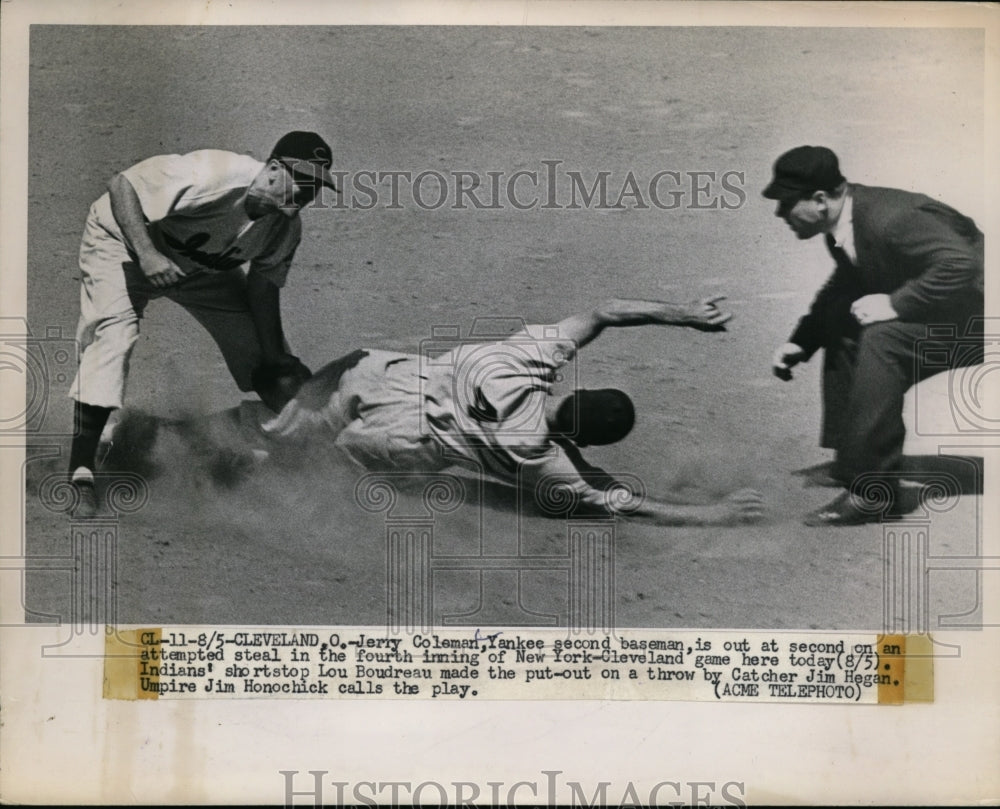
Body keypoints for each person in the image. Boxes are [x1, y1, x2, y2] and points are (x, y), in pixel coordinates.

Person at [254, 297, 764, 526]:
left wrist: (688, 317)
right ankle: (244, 467)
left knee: (273, 430)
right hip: (396, 440)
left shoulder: (524, 359)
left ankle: (223, 439)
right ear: (582, 442)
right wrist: (710, 515)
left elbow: (604, 312)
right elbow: (620, 503)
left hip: (375, 376)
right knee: (307, 470)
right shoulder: (539, 457)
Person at [68, 131, 337, 517]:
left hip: (198, 269)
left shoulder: (284, 230)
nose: (309, 192)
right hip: (124, 244)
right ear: (274, 169)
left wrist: (275, 358)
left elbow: (262, 292)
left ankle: (267, 452)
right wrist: (146, 255)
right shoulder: (215, 176)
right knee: (115, 337)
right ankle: (81, 472)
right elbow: (121, 185)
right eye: (303, 179)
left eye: (317, 185)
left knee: (267, 362)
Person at [764, 145, 984, 526]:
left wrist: (898, 303)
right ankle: (852, 462)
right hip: (956, 311)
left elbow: (961, 263)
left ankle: (873, 492)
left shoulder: (890, 218)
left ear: (819, 200)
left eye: (786, 204)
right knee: (845, 318)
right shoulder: (844, 224)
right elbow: (843, 286)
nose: (779, 213)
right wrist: (802, 341)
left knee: (884, 340)